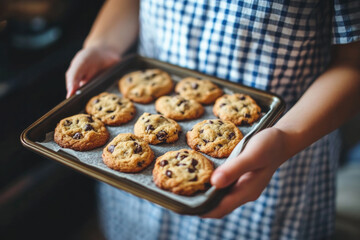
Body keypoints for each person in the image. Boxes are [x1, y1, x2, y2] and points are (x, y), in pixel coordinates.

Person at [65, 0, 360, 239]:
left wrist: (286, 138)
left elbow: (354, 62)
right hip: (138, 192)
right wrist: (102, 45)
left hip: (278, 154)